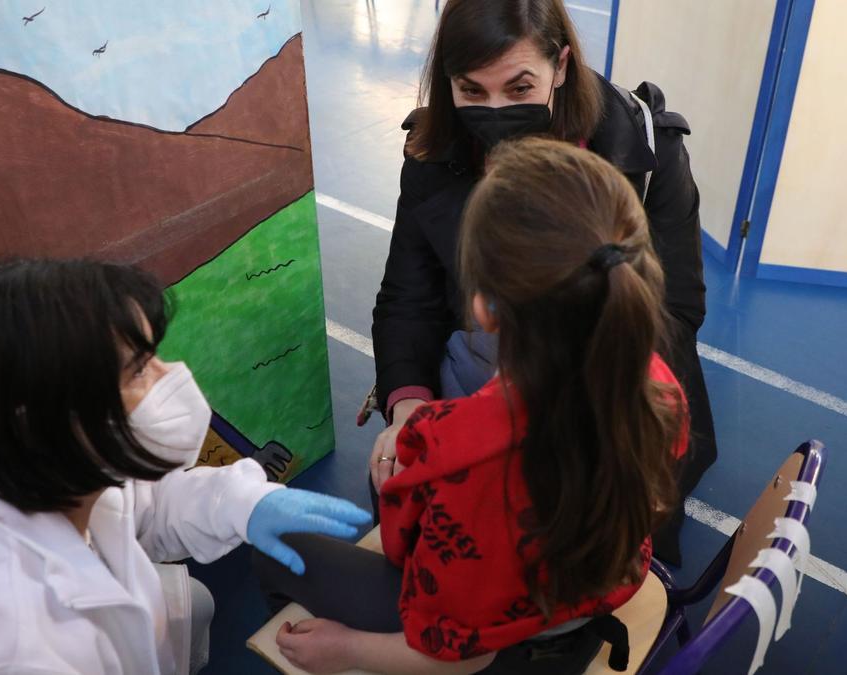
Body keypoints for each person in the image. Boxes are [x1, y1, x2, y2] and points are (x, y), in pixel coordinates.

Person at [0, 259, 370, 675]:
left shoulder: (7, 460)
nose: (174, 377)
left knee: (188, 605)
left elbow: (131, 504)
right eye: (140, 370)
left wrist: (243, 501)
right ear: (42, 415)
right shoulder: (16, 649)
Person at [256, 138, 689, 674]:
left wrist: (344, 648)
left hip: (506, 641)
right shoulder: (657, 389)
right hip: (591, 592)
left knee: (273, 543)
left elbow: (463, 657)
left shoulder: (467, 463)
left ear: (482, 306)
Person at [368, 0, 713, 564]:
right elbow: (409, 297)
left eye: (519, 86)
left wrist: (569, 409)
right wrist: (408, 403)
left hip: (603, 402)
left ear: (562, 66)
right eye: (471, 91)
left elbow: (674, 312)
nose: (495, 109)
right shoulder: (433, 153)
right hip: (475, 396)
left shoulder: (648, 153)